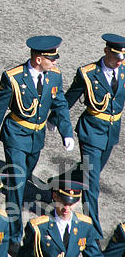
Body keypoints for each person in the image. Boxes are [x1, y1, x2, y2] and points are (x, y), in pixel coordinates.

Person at [0, 36, 74, 252]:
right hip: (15, 135)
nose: (55, 63)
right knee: (18, 183)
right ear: (39, 58)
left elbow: (60, 103)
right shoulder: (13, 78)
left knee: (22, 176)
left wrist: (66, 132)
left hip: (36, 138)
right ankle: (14, 235)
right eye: (52, 59)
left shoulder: (54, 77)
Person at [65, 33, 125, 235]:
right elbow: (69, 99)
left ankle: (63, 183)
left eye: (121, 58)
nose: (118, 62)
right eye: (115, 57)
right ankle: (93, 231)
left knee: (91, 172)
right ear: (106, 51)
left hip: (111, 133)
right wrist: (57, 120)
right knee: (92, 184)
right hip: (91, 132)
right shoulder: (88, 73)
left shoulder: (124, 72)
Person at [19, 177, 100, 257]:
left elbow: (94, 254)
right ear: (55, 196)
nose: (66, 208)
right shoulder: (38, 228)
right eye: (63, 202)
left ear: (77, 201)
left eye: (71, 204)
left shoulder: (84, 226)